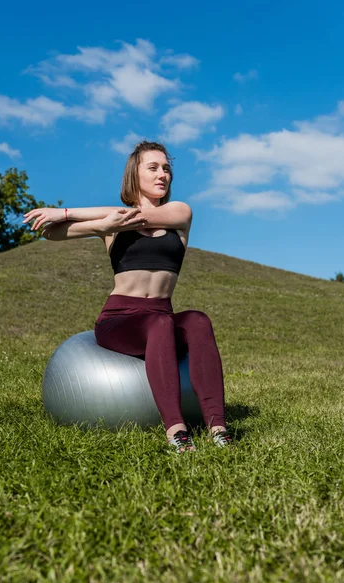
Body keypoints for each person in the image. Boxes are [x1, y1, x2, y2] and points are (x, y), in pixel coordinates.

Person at [23, 140, 232, 453]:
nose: (163, 174)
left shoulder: (179, 214)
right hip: (120, 320)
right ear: (134, 174)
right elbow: (51, 233)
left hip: (160, 314)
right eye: (153, 167)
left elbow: (140, 217)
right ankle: (176, 431)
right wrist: (104, 225)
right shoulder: (112, 225)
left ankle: (218, 428)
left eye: (166, 169)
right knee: (159, 325)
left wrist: (68, 211)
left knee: (197, 321)